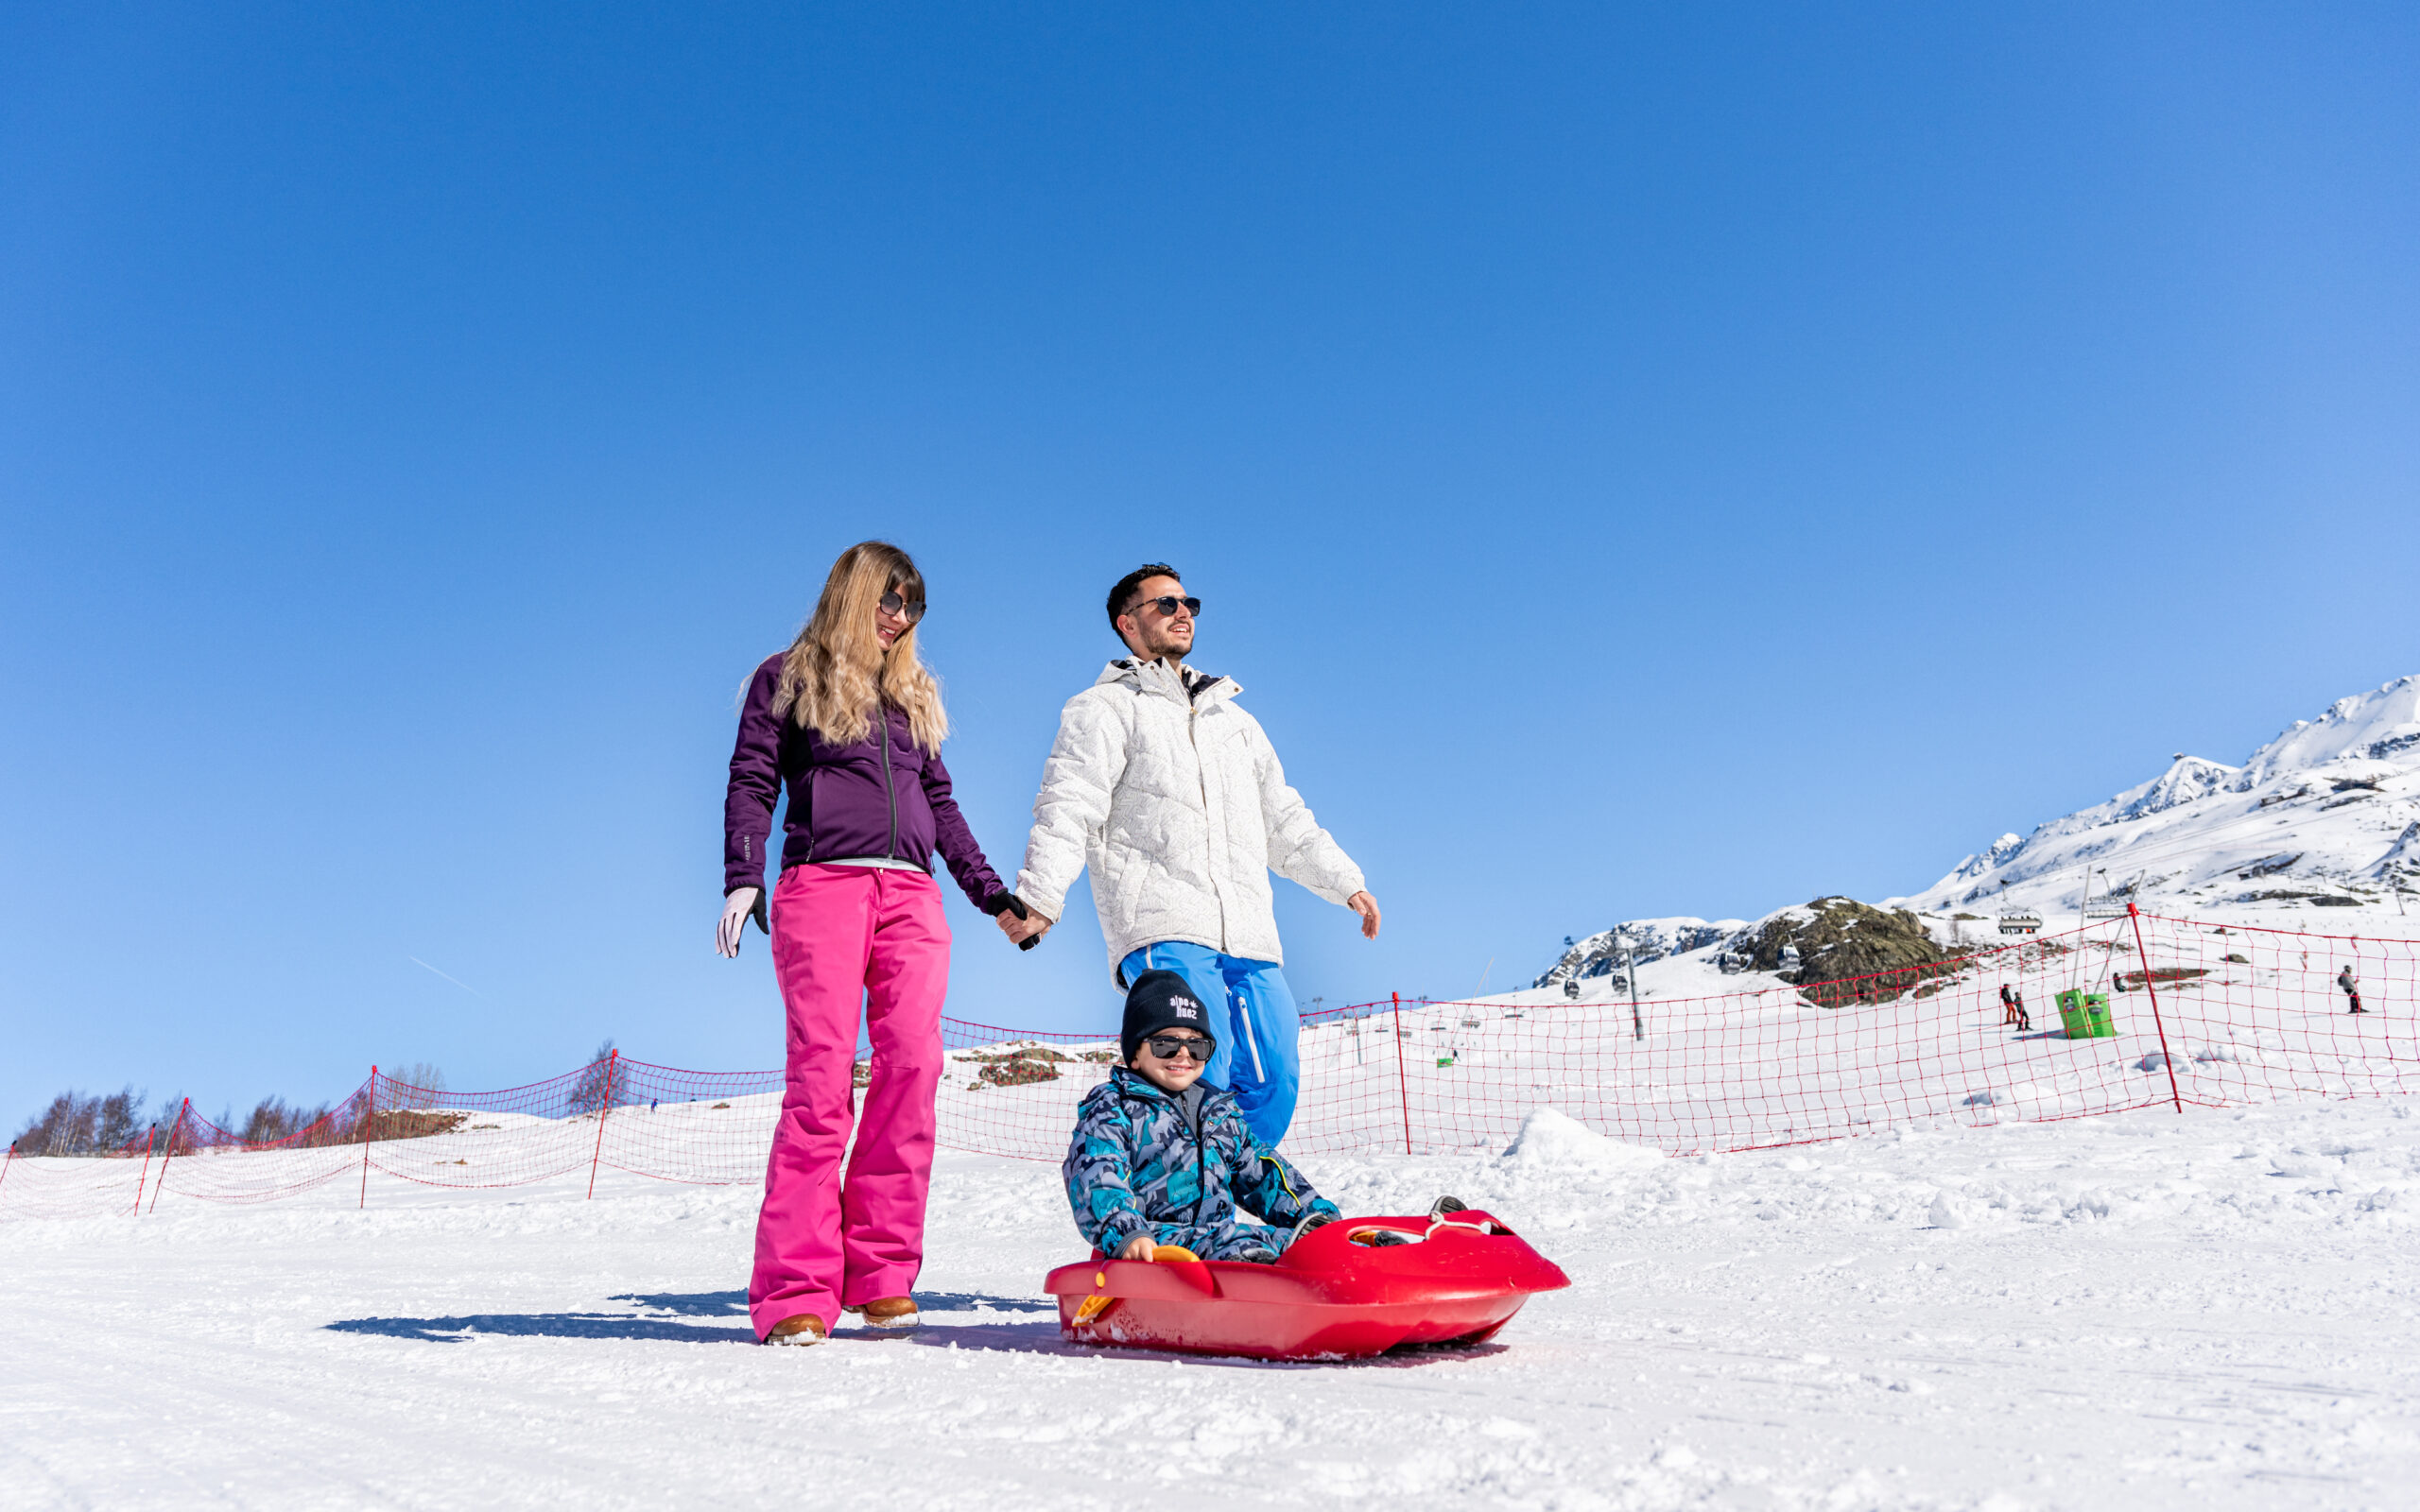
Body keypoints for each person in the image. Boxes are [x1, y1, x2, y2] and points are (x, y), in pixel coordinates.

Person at [719, 541, 1030, 1347]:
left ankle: (883, 1272)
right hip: (823, 885)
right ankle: (796, 1288)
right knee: (820, 1082)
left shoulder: (912, 697)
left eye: (915, 606)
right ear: (855, 595)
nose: (902, 618)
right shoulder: (787, 675)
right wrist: (742, 874)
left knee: (915, 1069)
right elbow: (753, 775)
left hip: (912, 894)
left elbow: (942, 802)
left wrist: (991, 894)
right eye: (891, 600)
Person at [1004, 563, 1377, 1147]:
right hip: (1163, 921)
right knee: (1203, 1069)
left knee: (1274, 1075)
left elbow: (1282, 816)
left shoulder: (1234, 720)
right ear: (1128, 624)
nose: (1183, 612)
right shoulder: (1103, 708)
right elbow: (1068, 801)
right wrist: (1042, 895)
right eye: (1165, 604)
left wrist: (1343, 880)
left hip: (1249, 930)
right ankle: (1185, 1207)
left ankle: (1225, 1195)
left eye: (1189, 603)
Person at [1064, 970, 1340, 1263]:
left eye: (1197, 1045)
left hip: (1215, 1240)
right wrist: (1127, 1232)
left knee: (1289, 1241)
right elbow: (1096, 1172)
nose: (1183, 1054)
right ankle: (1261, 1276)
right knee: (1241, 1241)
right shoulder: (1115, 1106)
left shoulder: (1218, 1112)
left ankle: (1340, 1256)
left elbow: (1263, 1174)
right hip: (1147, 1246)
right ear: (1134, 1054)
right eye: (1166, 1044)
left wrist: (1315, 1218)